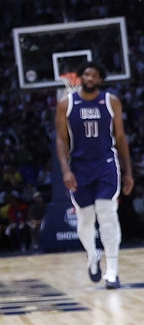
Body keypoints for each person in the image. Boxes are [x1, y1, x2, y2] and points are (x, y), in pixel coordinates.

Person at [56, 61, 134, 288]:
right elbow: (61, 139)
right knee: (85, 221)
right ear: (80, 77)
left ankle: (112, 271)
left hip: (106, 164)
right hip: (79, 166)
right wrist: (65, 169)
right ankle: (93, 256)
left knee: (107, 214)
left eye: (95, 76)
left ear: (100, 80)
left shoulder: (111, 101)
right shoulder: (66, 103)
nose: (90, 79)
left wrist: (128, 171)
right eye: (87, 75)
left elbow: (120, 138)